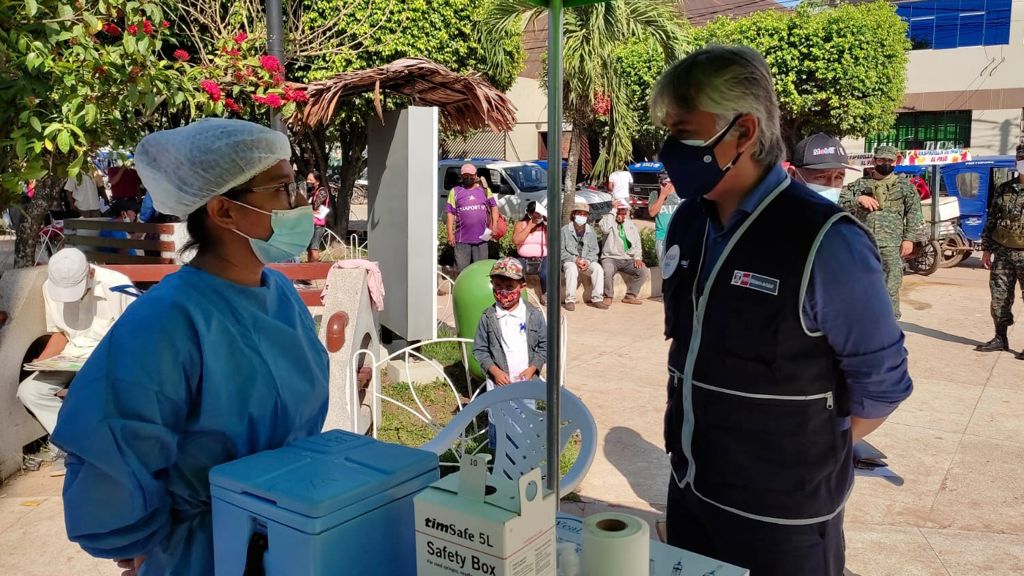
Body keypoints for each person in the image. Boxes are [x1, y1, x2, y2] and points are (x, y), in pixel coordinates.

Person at [651, 46, 912, 575]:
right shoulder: (688, 225)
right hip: (689, 496)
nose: (668, 149)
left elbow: (882, 385)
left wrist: (802, 450)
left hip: (783, 525)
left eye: (683, 131)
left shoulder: (825, 242)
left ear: (743, 132)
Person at [51, 118, 327, 576]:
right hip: (205, 554)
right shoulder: (166, 321)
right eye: (281, 188)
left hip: (296, 535)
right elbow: (114, 451)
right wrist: (136, 539)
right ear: (223, 211)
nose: (299, 202)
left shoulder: (279, 294)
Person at [17, 248, 135, 442]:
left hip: (111, 359)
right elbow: (61, 333)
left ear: (90, 273)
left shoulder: (117, 285)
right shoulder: (49, 288)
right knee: (29, 391)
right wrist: (43, 361)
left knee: (89, 391)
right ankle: (75, 441)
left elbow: (135, 336)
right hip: (71, 357)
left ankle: (89, 444)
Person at [839, 145, 923, 319]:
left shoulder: (905, 187)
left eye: (889, 161)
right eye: (881, 160)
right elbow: (838, 201)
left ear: (896, 161)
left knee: (891, 285)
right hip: (864, 244)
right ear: (873, 160)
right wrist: (858, 199)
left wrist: (909, 239)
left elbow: (914, 214)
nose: (885, 163)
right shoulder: (860, 185)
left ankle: (889, 323)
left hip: (891, 245)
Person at [975, 146, 1024, 355]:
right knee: (999, 297)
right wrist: (986, 249)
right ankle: (1000, 338)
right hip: (1003, 252)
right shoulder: (1005, 188)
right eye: (1021, 158)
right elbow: (992, 219)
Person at [446, 163, 499, 271]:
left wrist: (494, 226)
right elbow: (450, 213)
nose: (468, 178)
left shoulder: (484, 190)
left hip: (482, 239)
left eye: (470, 175)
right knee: (461, 271)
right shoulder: (455, 191)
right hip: (462, 240)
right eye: (465, 176)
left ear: (476, 175)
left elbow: (494, 207)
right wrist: (450, 233)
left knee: (481, 270)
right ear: (461, 176)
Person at [560, 202, 608, 311]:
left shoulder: (591, 231)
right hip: (570, 261)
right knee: (572, 269)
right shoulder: (564, 230)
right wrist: (575, 260)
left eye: (584, 214)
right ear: (573, 215)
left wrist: (588, 261)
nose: (582, 216)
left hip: (586, 260)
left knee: (598, 269)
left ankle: (598, 299)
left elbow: (594, 250)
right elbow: (561, 251)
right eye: (579, 213)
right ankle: (570, 300)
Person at [599, 200, 648, 305]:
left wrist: (638, 257)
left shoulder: (630, 224)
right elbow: (605, 229)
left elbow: (637, 242)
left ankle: (630, 296)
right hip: (610, 257)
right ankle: (608, 296)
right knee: (607, 271)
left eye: (624, 212)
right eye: (620, 211)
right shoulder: (607, 220)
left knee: (643, 271)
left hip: (628, 258)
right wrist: (613, 211)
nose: (622, 214)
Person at [787, 133, 859, 204]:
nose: (831, 186)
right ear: (792, 175)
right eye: (822, 176)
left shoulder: (839, 214)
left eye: (838, 177)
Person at [512, 201, 549, 305]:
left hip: (543, 257)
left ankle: (546, 294)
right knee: (517, 271)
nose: (535, 216)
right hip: (523, 258)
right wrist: (529, 227)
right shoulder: (521, 224)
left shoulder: (545, 226)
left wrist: (548, 225)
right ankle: (518, 295)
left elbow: (553, 241)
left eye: (538, 213)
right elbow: (516, 241)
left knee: (545, 273)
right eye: (533, 213)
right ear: (528, 213)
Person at [648, 171, 681, 262]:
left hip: (678, 237)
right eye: (661, 179)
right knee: (664, 269)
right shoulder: (654, 194)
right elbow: (652, 213)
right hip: (662, 237)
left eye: (666, 179)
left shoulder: (681, 194)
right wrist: (662, 196)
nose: (663, 182)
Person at [306, 170, 329, 262]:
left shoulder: (322, 191)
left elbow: (316, 205)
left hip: (318, 224)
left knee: (314, 248)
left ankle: (315, 267)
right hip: (310, 222)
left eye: (310, 180)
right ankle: (309, 267)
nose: (308, 182)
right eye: (307, 179)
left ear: (318, 181)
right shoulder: (311, 192)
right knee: (309, 249)